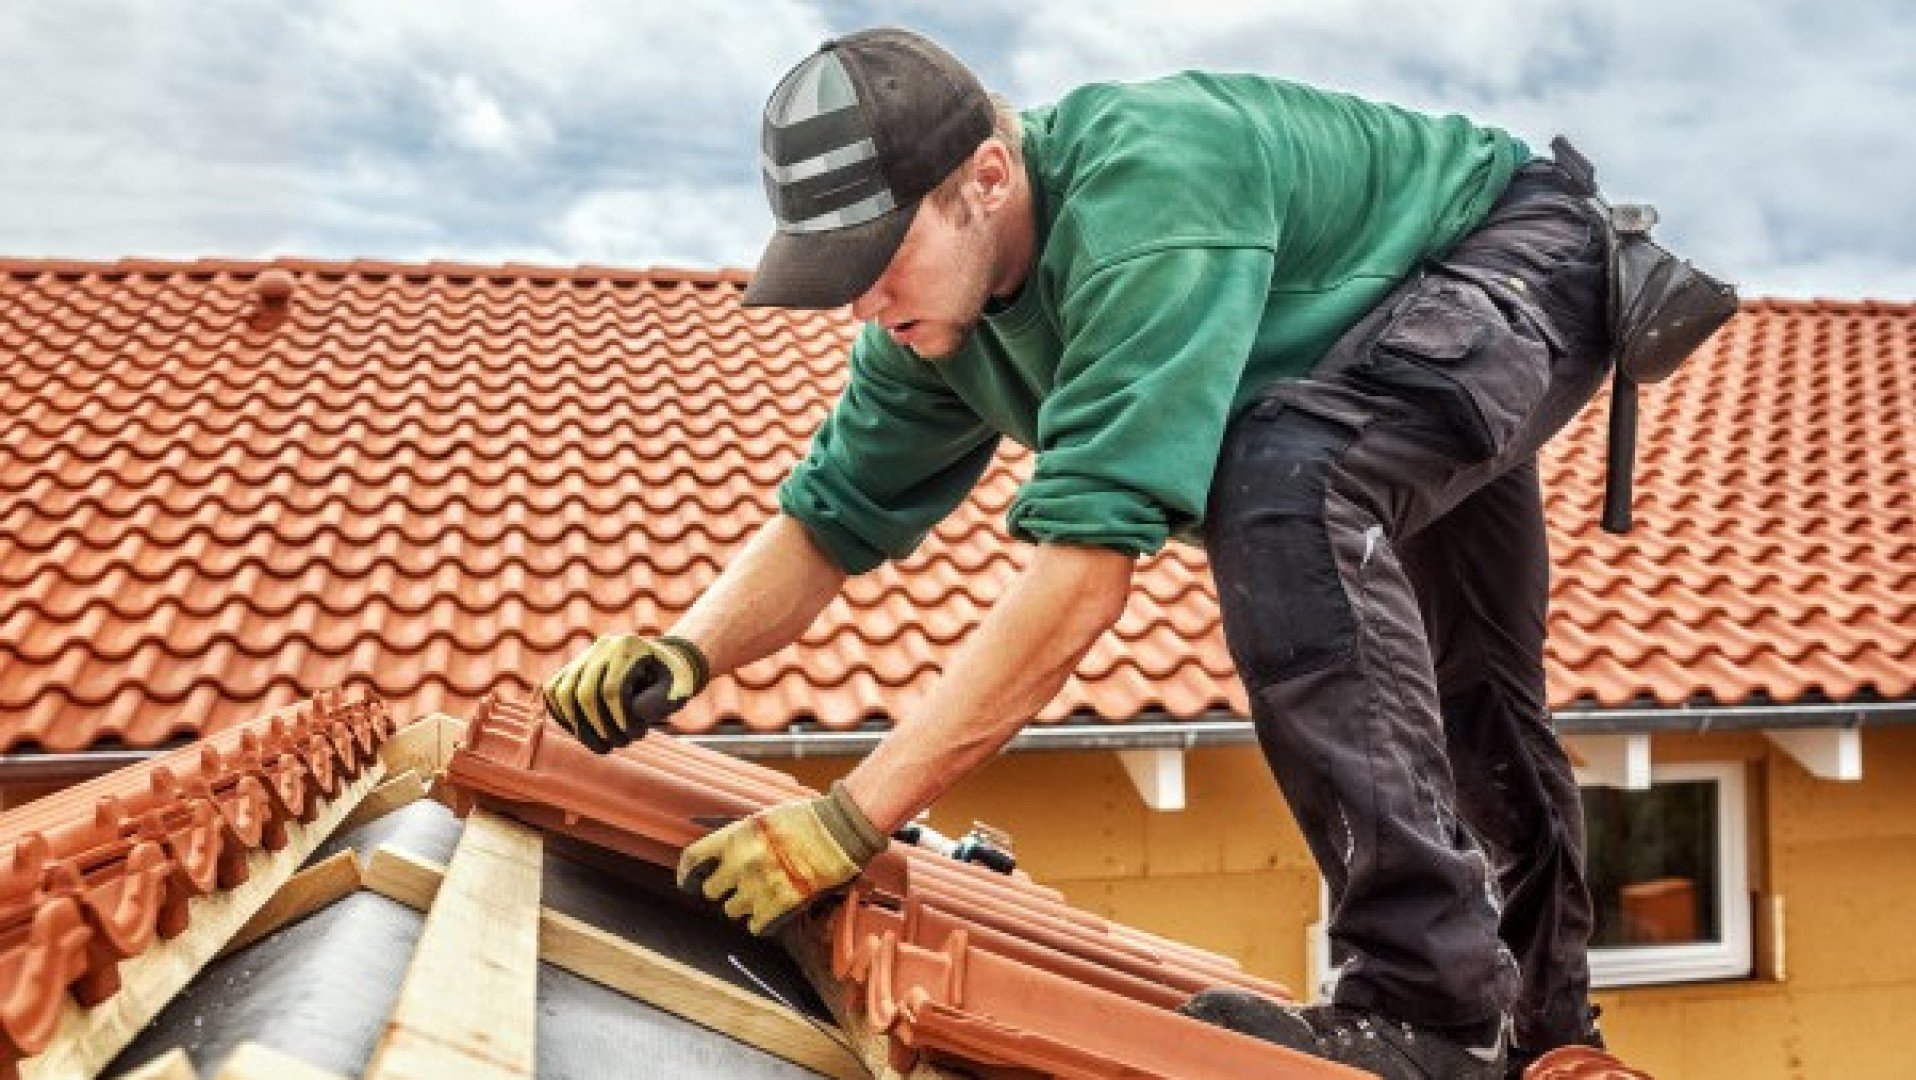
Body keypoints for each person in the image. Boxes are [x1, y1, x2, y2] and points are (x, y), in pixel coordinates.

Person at [543, 26, 1616, 1078]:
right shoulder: (931, 328)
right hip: (1385, 329)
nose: (865, 302)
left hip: (1514, 254)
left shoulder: (1143, 200)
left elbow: (1081, 578)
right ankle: (1540, 1032)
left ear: (990, 174)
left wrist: (848, 819)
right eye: (839, 272)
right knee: (1467, 678)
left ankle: (1431, 1001)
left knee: (1285, 486)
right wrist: (684, 652)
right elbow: (828, 521)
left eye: (878, 258)